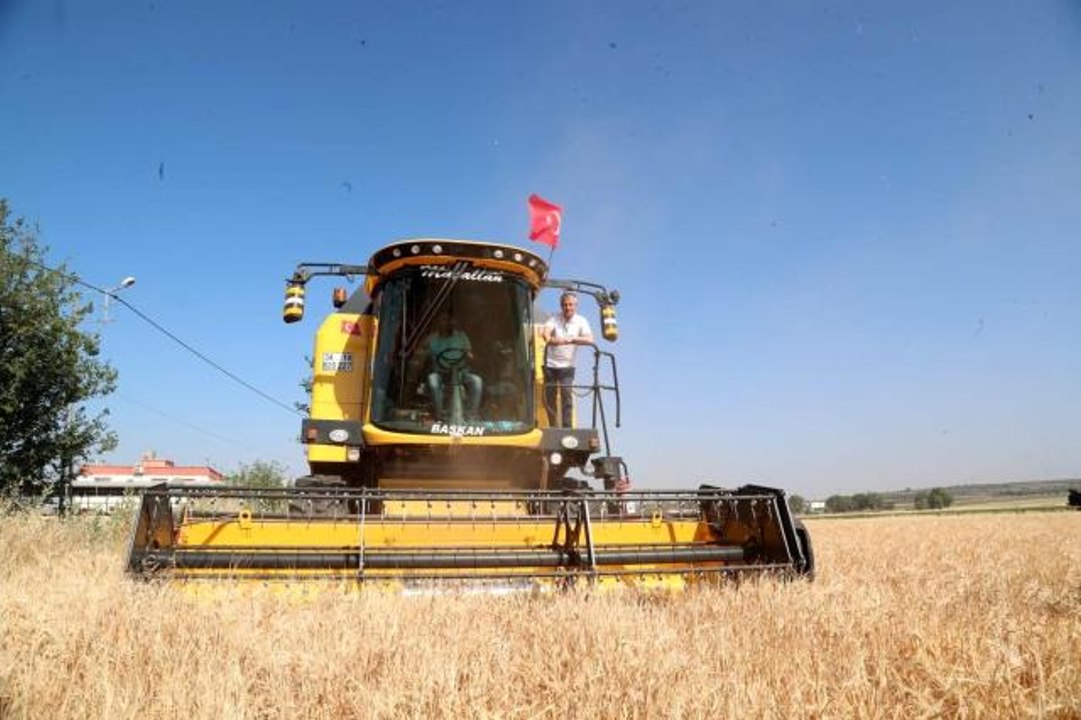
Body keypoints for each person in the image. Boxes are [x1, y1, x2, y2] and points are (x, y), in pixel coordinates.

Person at [542, 291, 593, 427]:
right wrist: (552, 339)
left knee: (566, 395)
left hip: (567, 366)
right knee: (550, 398)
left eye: (570, 305)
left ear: (576, 306)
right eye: (565, 305)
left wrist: (573, 339)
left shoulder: (581, 321)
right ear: (561, 306)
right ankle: (553, 426)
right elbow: (545, 332)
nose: (568, 307)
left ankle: (567, 427)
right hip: (550, 365)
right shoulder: (554, 318)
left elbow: (590, 339)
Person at [425, 314, 482, 421]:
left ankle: (471, 415)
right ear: (438, 323)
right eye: (444, 320)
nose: (447, 324)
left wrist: (470, 356)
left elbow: (470, 354)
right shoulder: (431, 339)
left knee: (477, 381)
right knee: (432, 380)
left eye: (449, 321)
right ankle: (440, 415)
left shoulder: (462, 336)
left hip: (461, 373)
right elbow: (422, 357)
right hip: (441, 373)